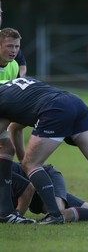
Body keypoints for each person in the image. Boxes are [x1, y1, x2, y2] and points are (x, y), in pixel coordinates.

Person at [0, 77, 88, 224]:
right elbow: (14, 128)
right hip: (73, 101)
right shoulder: (15, 87)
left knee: (32, 165)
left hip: (53, 109)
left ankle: (55, 216)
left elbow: (6, 133)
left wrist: (25, 165)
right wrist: (23, 161)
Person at [0, 27, 34, 224]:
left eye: (16, 46)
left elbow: (21, 58)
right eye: (9, 46)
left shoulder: (13, 63)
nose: (13, 50)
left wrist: (22, 75)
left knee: (9, 144)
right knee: (7, 146)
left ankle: (8, 211)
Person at [0, 0, 27, 76]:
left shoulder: (5, 37)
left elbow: (22, 63)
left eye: (0, 14)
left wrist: (18, 83)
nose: (13, 50)